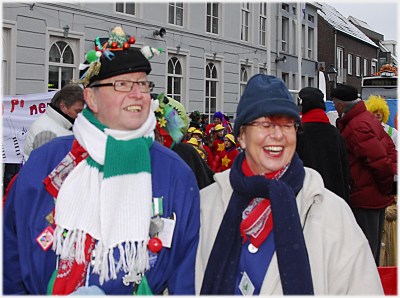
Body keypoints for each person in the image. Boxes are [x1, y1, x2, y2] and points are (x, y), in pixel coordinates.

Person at [3, 26, 200, 295]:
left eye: (143, 84)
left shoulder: (174, 172)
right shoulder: (46, 162)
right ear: (91, 98)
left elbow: (186, 273)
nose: (138, 94)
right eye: (122, 84)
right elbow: (9, 256)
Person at [196, 74, 383, 295]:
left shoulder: (330, 212)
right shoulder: (205, 205)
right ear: (242, 137)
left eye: (287, 125)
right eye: (264, 124)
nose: (277, 135)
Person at [331, 84, 397, 266]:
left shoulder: (356, 126)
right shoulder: (366, 119)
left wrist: (383, 186)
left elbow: (379, 162)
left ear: (341, 104)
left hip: (365, 197)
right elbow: (390, 149)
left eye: (335, 104)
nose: (334, 108)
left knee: (364, 255)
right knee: (371, 251)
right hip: (372, 193)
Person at [296, 87, 350, 202]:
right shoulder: (335, 133)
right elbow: (345, 170)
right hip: (334, 200)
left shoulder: (299, 134)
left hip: (308, 198)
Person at [23, 83, 85, 162]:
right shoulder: (46, 131)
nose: (80, 115)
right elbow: (46, 167)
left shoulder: (58, 125)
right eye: (78, 111)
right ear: (63, 107)